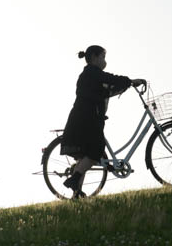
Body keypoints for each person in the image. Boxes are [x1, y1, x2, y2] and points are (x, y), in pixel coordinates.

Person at [60, 45, 145, 198]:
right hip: (87, 119)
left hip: (84, 117)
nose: (104, 61)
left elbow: (103, 91)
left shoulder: (89, 75)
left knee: (85, 155)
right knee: (96, 151)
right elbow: (110, 79)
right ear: (93, 57)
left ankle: (76, 192)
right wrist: (130, 81)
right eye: (102, 57)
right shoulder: (92, 73)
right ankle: (74, 179)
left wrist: (124, 87)